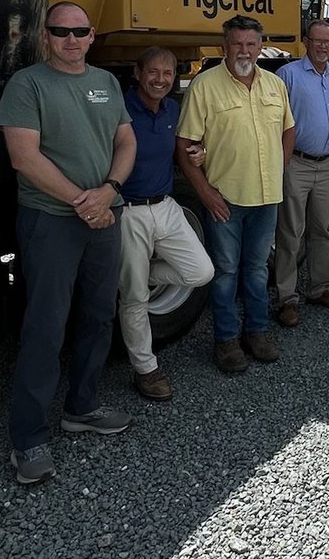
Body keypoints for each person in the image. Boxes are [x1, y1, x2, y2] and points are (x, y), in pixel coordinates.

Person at [0, 1, 137, 486]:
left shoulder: (106, 83)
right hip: (52, 219)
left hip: (105, 215)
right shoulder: (28, 84)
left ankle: (83, 406)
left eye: (79, 32)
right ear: (46, 35)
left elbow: (126, 142)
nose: (71, 39)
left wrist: (110, 192)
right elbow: (23, 156)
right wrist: (84, 200)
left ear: (92, 36)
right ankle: (28, 437)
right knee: (46, 326)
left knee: (99, 315)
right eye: (61, 31)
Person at [176, 16, 294, 373]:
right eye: (237, 43)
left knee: (257, 269)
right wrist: (206, 194)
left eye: (251, 44)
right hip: (225, 199)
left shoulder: (275, 84)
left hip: (267, 196)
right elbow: (184, 146)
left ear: (261, 46)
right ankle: (226, 341)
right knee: (226, 271)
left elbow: (289, 130)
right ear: (224, 46)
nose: (244, 50)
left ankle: (255, 333)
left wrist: (279, 167)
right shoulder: (205, 86)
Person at [117, 47, 214, 401]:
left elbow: (184, 148)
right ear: (138, 72)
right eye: (153, 72)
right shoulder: (121, 108)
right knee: (134, 299)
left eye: (168, 74)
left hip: (166, 205)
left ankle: (134, 278)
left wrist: (199, 152)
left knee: (200, 272)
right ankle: (146, 369)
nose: (160, 79)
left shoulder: (173, 109)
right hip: (129, 211)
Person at [272, 20, 329, 326]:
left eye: (327, 42)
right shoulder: (287, 75)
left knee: (322, 230)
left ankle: (320, 288)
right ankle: (287, 299)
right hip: (297, 163)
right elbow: (275, 120)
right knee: (290, 233)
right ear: (306, 42)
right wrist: (283, 160)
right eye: (316, 41)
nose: (322, 46)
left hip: (327, 163)